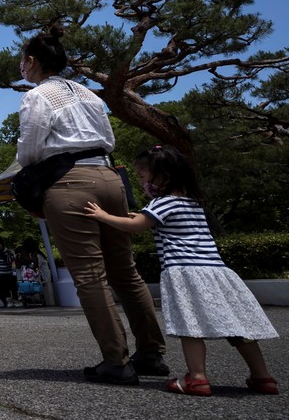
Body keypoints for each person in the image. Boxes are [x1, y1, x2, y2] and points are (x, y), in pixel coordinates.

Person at [17, 26, 166, 384]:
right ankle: (152, 354)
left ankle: (116, 360)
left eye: (23, 61)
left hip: (70, 183)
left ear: (33, 61)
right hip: (109, 176)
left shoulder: (37, 95)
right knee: (125, 272)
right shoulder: (86, 92)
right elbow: (109, 138)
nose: (21, 67)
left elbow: (30, 150)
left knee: (89, 275)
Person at [86, 145, 279, 396]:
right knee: (240, 328)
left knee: (191, 327)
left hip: (185, 271)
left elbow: (135, 226)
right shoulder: (194, 202)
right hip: (218, 272)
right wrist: (144, 215)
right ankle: (263, 377)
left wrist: (102, 215)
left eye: (144, 177)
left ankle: (197, 379)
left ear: (163, 176)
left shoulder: (163, 203)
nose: (143, 183)